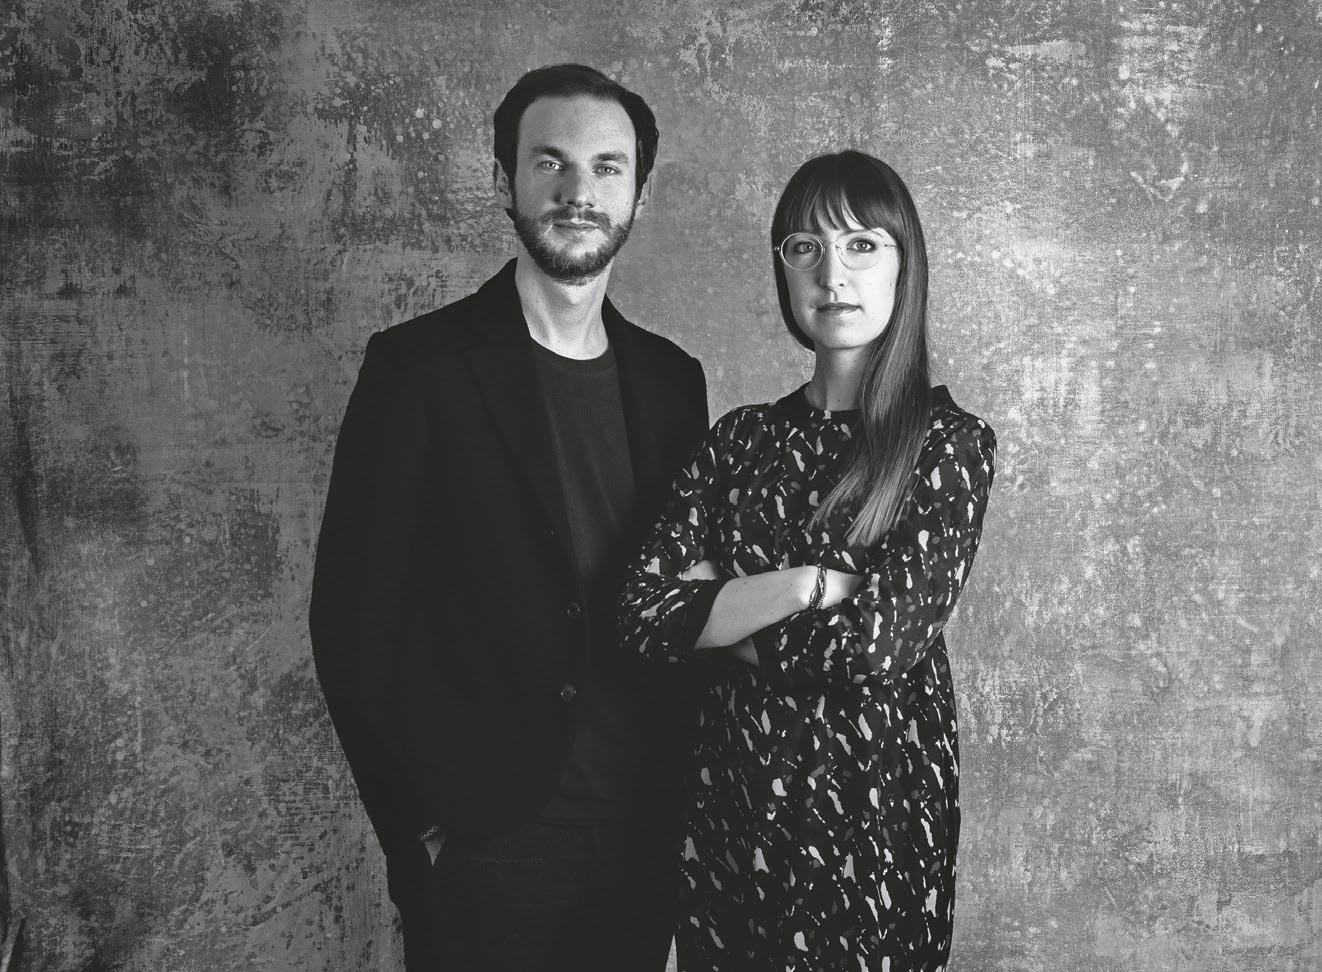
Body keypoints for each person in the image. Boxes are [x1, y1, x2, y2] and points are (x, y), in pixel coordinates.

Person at [310, 64, 707, 971]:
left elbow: (684, 605)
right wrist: (419, 827)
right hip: (484, 843)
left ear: (639, 194)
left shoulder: (672, 383)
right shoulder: (418, 370)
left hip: (641, 833)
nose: (578, 192)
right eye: (550, 163)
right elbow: (351, 622)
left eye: (607, 167)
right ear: (504, 181)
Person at [619, 149, 996, 971]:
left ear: (904, 264)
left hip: (872, 817)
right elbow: (642, 615)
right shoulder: (738, 439)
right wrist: (808, 585)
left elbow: (874, 647)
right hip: (731, 811)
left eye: (862, 244)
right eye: (805, 247)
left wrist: (721, 616)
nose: (833, 273)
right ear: (782, 268)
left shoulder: (946, 446)